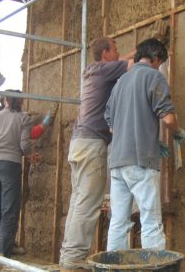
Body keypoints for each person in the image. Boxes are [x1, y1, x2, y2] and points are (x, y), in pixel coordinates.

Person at [59, 37, 134, 270]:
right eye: (116, 49)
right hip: (91, 145)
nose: (119, 53)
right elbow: (134, 64)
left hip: (80, 144)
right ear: (105, 54)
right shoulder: (105, 71)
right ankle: (73, 259)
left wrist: (128, 53)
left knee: (78, 201)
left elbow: (122, 60)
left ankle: (68, 255)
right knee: (89, 203)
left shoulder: (93, 70)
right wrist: (145, 48)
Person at [104, 38, 185, 251]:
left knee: (118, 223)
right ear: (156, 58)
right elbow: (167, 118)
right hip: (141, 162)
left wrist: (150, 139)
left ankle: (115, 267)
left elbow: (112, 125)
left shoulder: (121, 82)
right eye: (160, 64)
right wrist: (177, 132)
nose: (160, 68)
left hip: (117, 162)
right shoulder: (153, 76)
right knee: (150, 222)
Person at [0, 92, 34, 257]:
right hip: (10, 164)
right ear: (20, 101)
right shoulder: (24, 118)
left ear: (5, 100)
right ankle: (1, 251)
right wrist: (32, 155)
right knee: (9, 209)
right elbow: (24, 145)